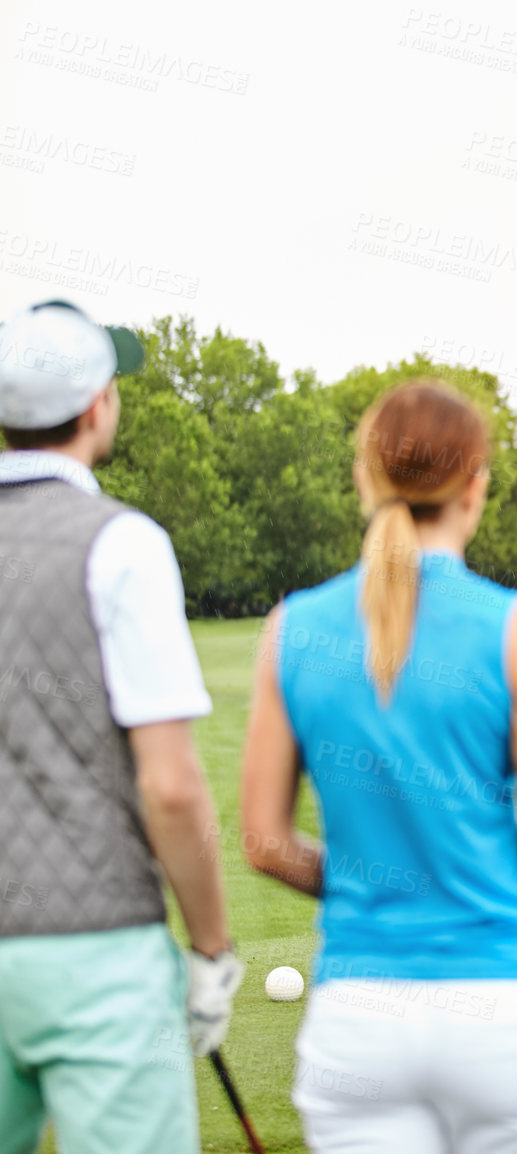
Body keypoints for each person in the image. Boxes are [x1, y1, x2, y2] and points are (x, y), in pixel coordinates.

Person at [240, 379, 517, 1152]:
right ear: (476, 487)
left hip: (360, 1017)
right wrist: (468, 859)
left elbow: (265, 842)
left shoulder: (290, 630)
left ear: (365, 478)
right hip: (512, 1011)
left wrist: (377, 873)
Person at [0, 300, 241, 1154]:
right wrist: (210, 948)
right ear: (99, 406)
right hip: (95, 952)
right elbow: (170, 786)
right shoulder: (123, 545)